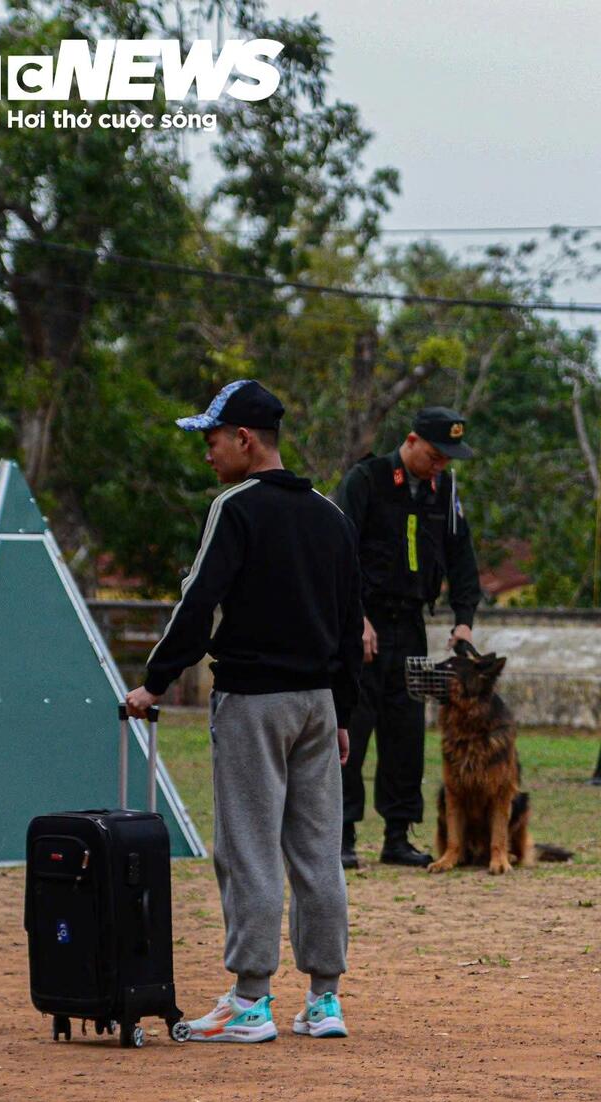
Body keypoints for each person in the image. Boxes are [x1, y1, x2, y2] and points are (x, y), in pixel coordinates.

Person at [127, 379, 362, 1043]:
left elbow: (197, 604)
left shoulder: (235, 509)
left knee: (250, 847)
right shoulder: (331, 516)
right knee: (319, 852)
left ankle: (251, 1001)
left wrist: (156, 682)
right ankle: (324, 1000)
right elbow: (351, 626)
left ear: (245, 440)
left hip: (253, 703)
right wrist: (342, 711)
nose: (207, 453)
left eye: (212, 440)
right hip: (318, 704)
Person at [335, 407, 483, 868]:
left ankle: (397, 836)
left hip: (411, 626)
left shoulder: (445, 491)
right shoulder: (367, 480)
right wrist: (354, 617)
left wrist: (464, 619)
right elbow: (337, 552)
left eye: (447, 460)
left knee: (405, 733)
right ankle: (341, 834)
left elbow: (462, 559)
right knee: (352, 730)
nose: (440, 466)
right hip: (364, 626)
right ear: (412, 441)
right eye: (435, 456)